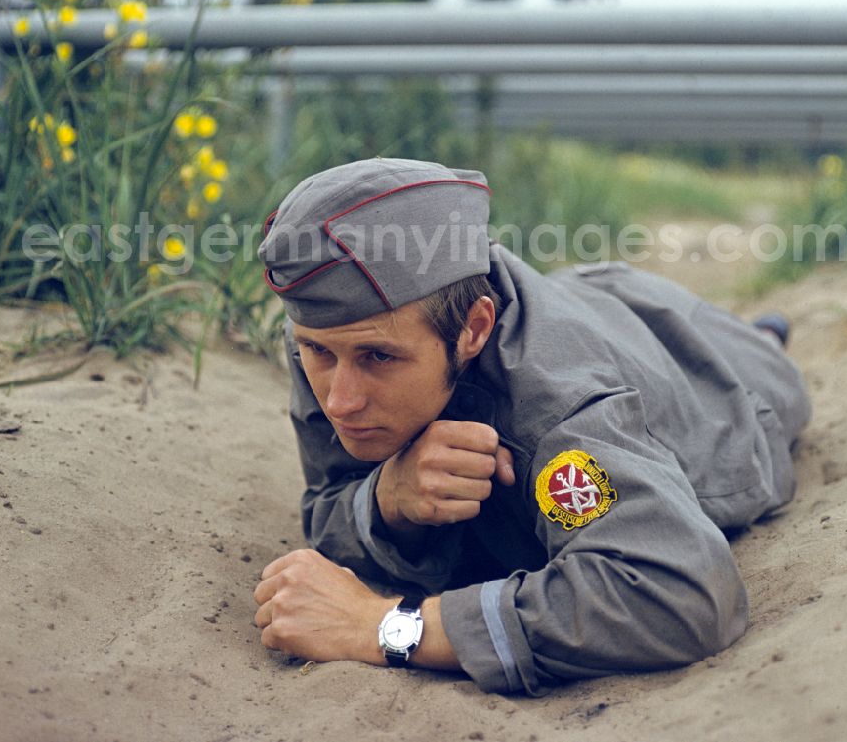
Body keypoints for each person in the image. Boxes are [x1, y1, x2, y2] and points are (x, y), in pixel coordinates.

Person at [252, 157, 810, 695]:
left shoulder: (562, 410)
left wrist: (385, 625)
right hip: (578, 293)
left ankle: (762, 334)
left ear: (474, 329)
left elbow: (682, 595)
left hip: (707, 369)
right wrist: (388, 498)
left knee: (765, 363)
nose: (341, 402)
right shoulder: (337, 324)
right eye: (317, 354)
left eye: (378, 358)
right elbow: (327, 502)